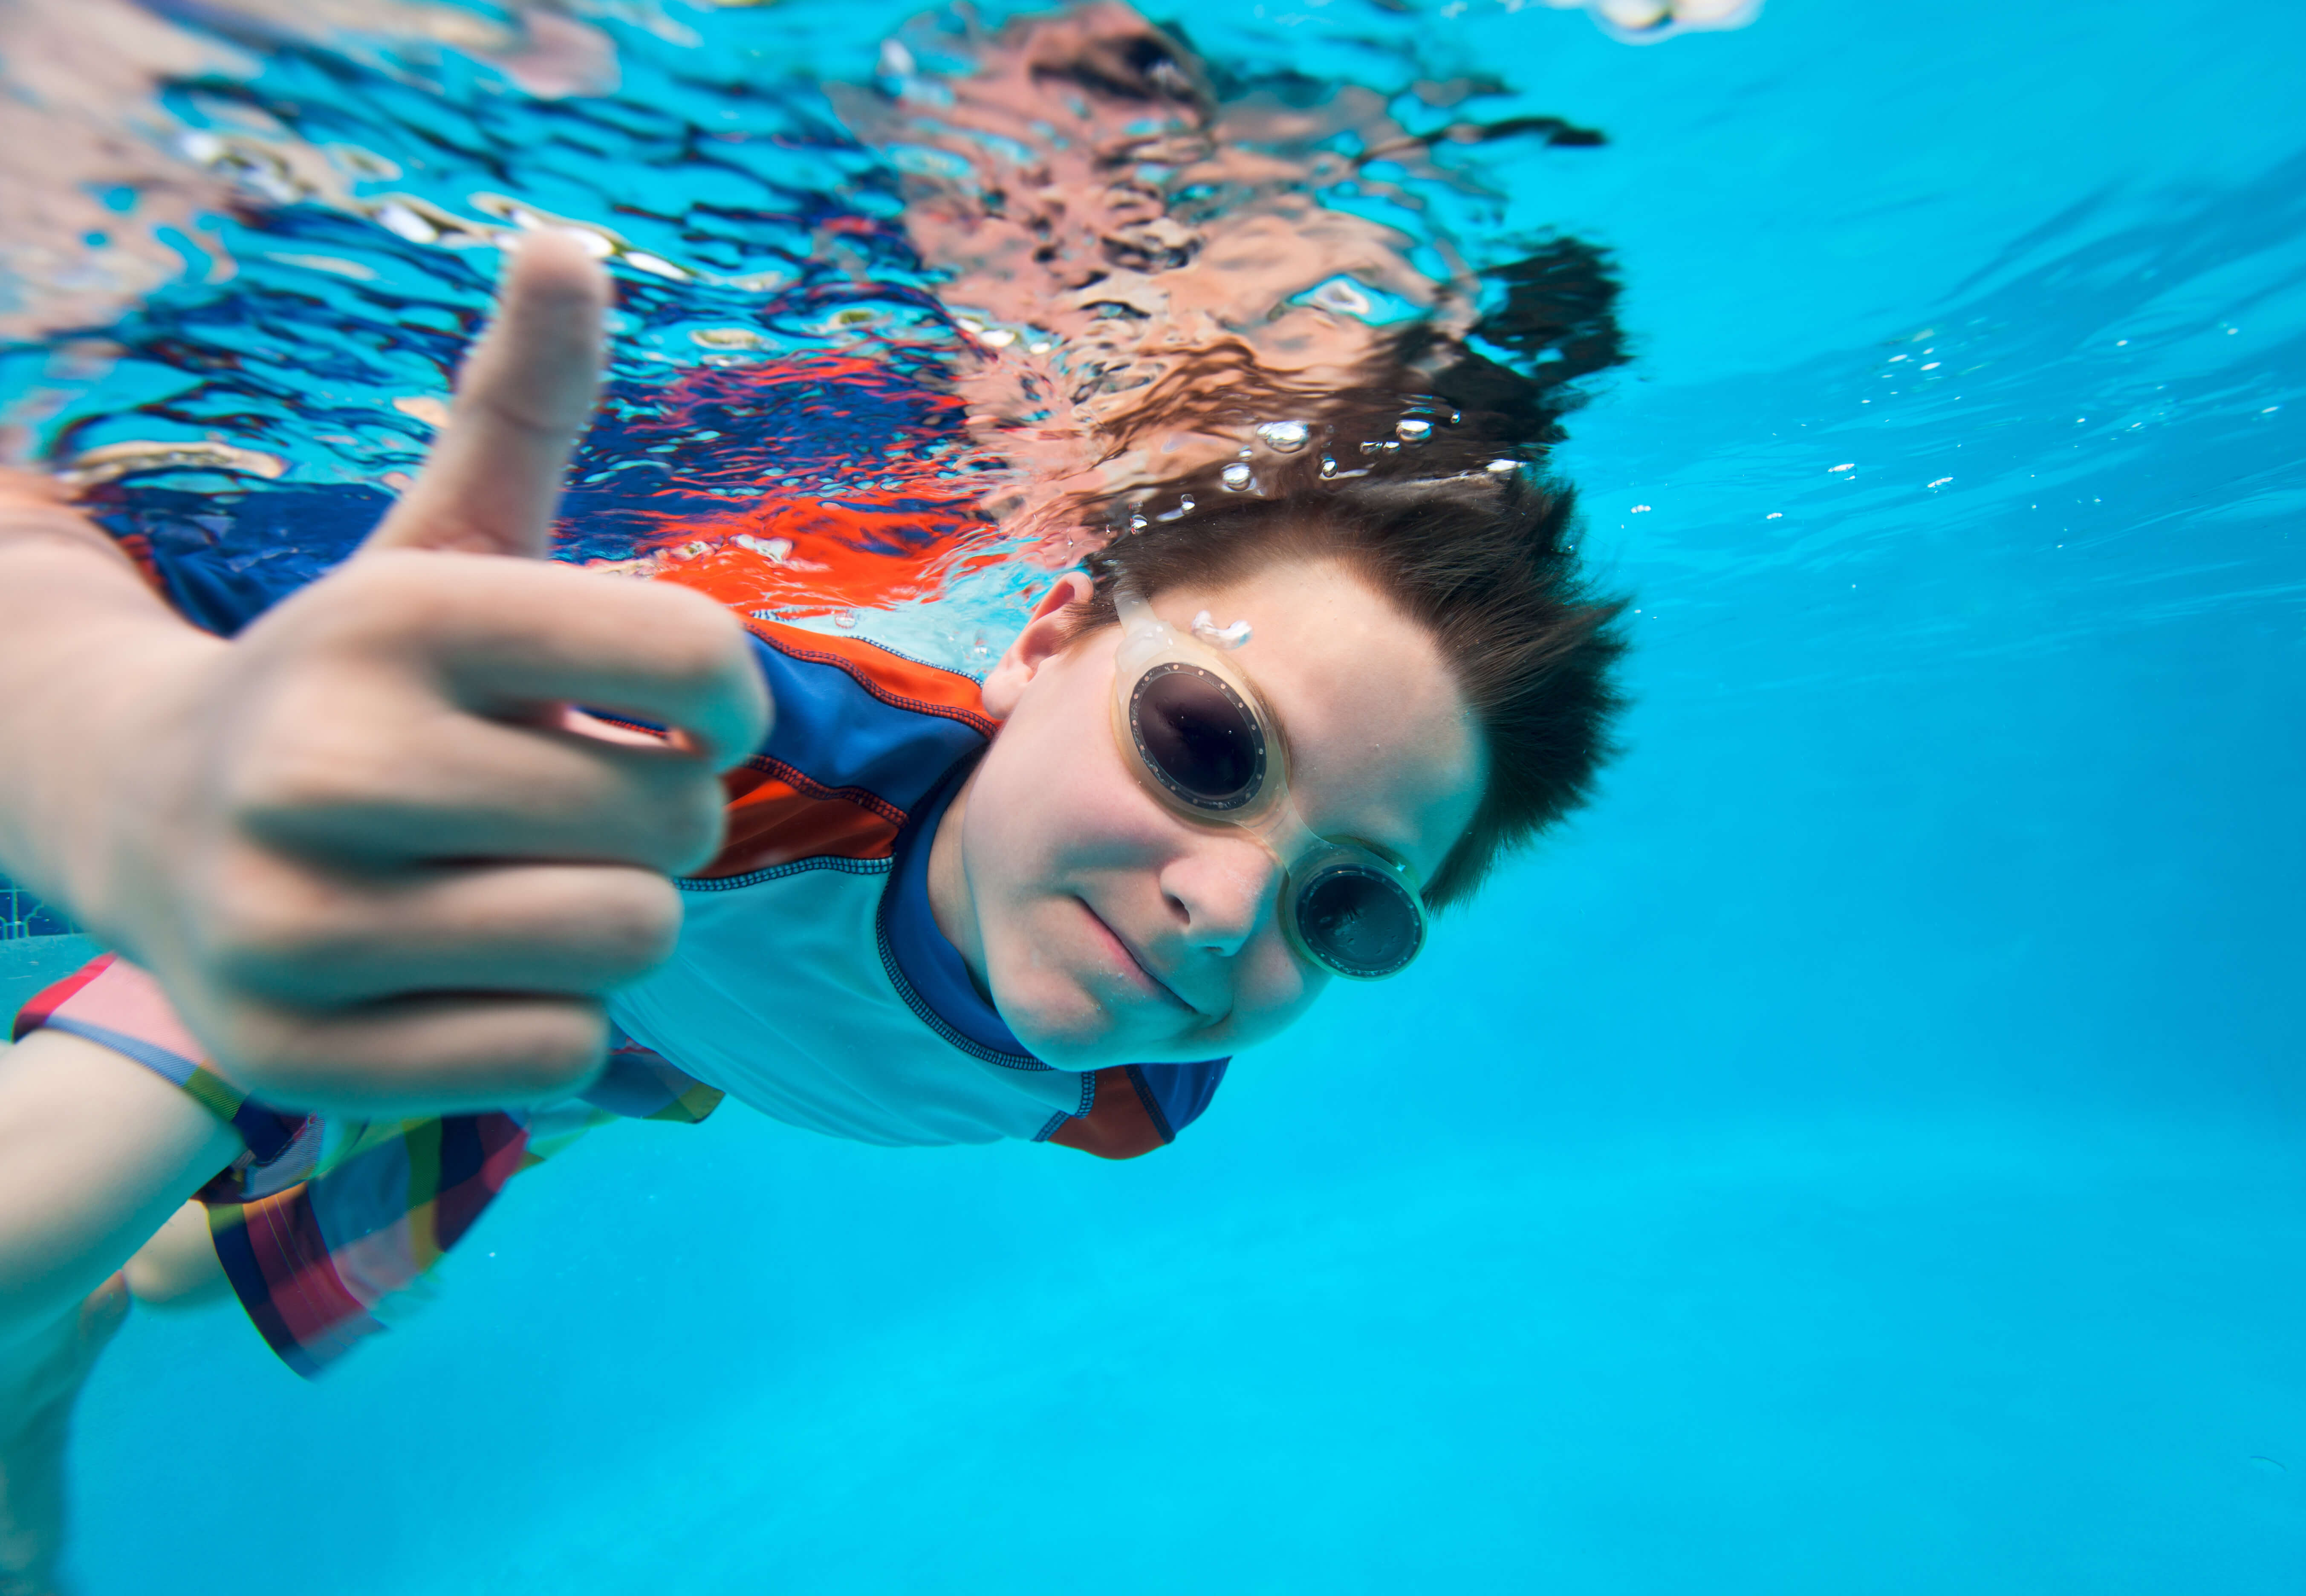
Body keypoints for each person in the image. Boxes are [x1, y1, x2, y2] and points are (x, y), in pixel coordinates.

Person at [0, 229, 1628, 1592]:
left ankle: (99, 1314)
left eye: (1346, 907)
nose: (1221, 909)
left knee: (183, 1279)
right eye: (1206, 747)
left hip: (609, 1063)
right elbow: (301, 729)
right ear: (1048, 640)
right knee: (34, 1229)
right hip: (479, 923)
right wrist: (130, 741)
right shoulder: (746, 744)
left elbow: (776, 1021)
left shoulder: (1148, 1081)